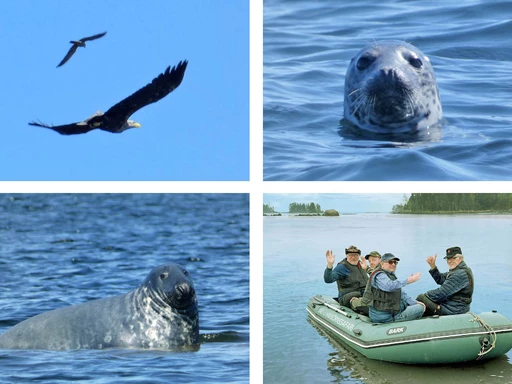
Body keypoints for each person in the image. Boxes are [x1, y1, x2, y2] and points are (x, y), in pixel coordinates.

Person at [361, 253, 425, 323]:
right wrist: (408, 280)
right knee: (420, 308)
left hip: (388, 313)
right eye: (390, 262)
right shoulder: (380, 276)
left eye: (395, 262)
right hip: (386, 317)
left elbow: (400, 293)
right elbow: (389, 286)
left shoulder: (389, 275)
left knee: (417, 304)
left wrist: (414, 302)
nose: (393, 264)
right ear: (382, 264)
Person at [416, 246, 474, 316]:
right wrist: (433, 266)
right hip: (455, 307)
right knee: (426, 299)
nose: (449, 261)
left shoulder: (459, 274)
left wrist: (424, 297)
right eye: (448, 258)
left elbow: (441, 293)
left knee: (421, 298)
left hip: (453, 310)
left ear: (461, 258)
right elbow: (440, 279)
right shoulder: (461, 270)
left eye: (453, 258)